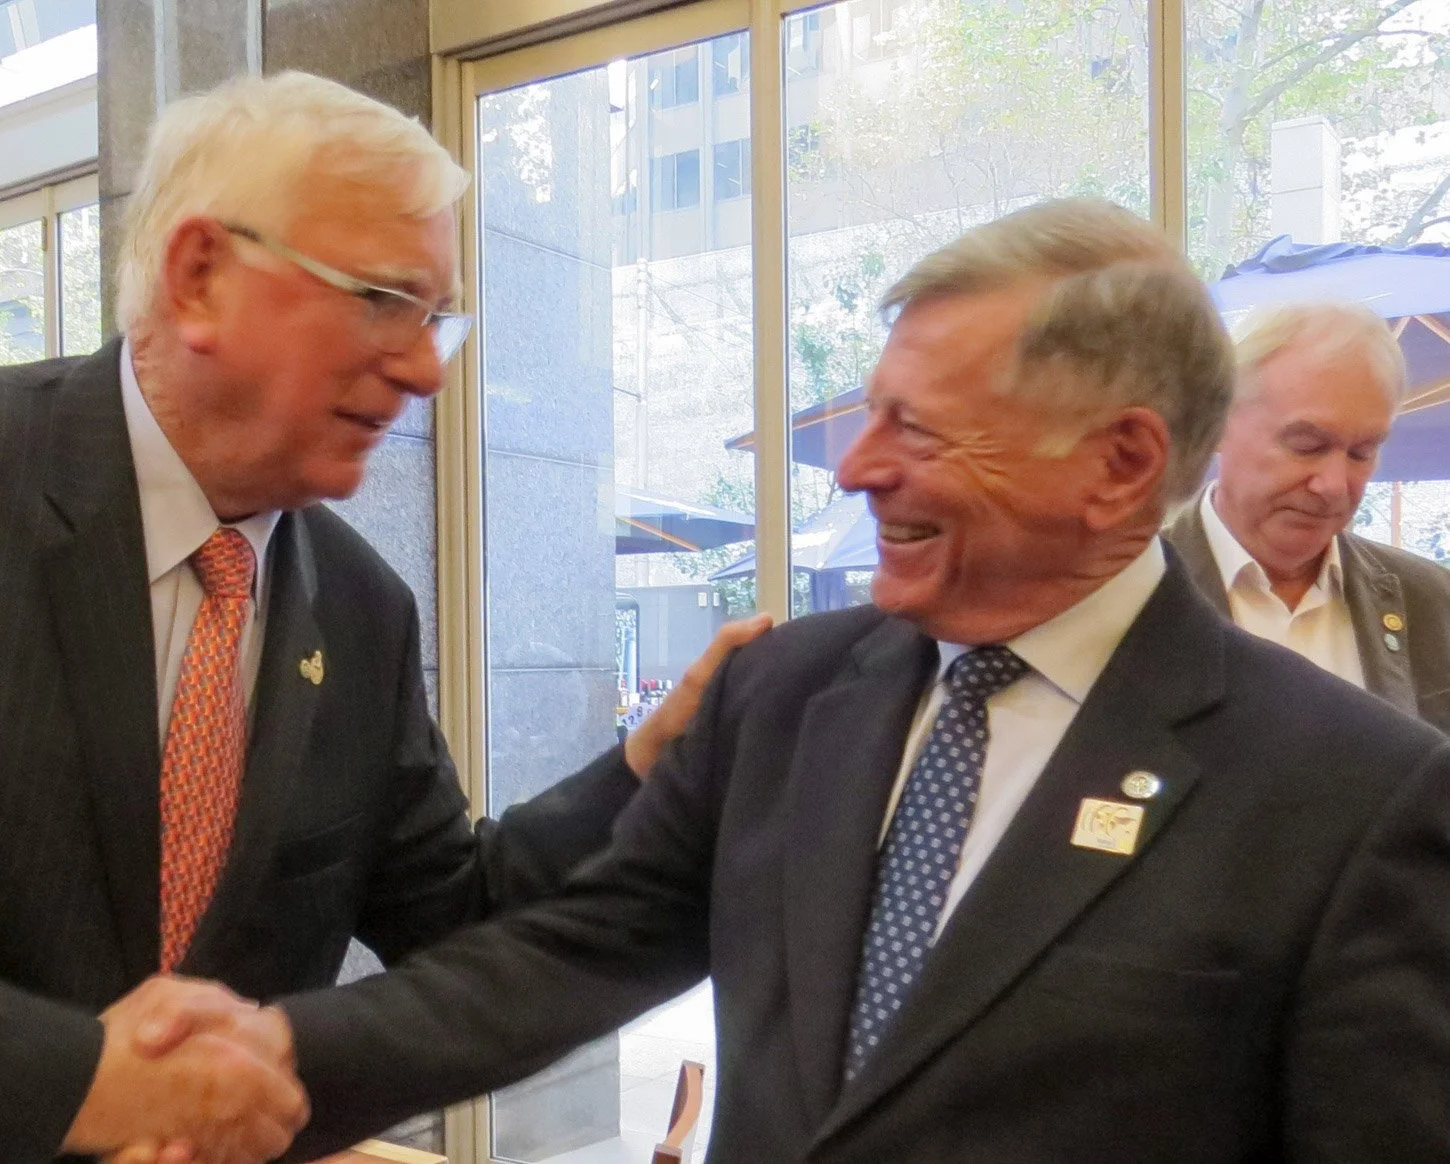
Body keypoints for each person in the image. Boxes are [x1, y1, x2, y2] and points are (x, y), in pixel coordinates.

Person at [0, 71, 764, 1164]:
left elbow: (456, 915)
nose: (421, 370)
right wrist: (78, 1085)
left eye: (435, 320)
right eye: (380, 299)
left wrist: (649, 763)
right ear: (200, 275)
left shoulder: (360, 611)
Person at [253, 199, 1450, 1162]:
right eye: (870, 419)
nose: (859, 470)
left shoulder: (1354, 797)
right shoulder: (779, 693)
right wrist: (244, 1073)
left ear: (1119, 463)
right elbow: (558, 960)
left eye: (918, 432)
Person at [1164, 301, 1450, 731]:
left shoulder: (1432, 602)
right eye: (1306, 445)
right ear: (1216, 424)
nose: (1333, 484)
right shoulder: (1129, 589)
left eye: (1361, 453)